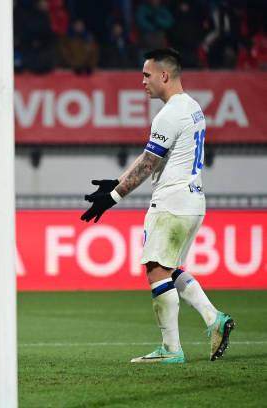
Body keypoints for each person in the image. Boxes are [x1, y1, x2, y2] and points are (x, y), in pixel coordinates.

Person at [80, 48, 235, 363]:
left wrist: (113, 197)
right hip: (192, 200)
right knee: (171, 268)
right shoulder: (192, 107)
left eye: (146, 75)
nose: (142, 81)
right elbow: (151, 156)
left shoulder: (169, 115)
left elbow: (149, 163)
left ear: (164, 75)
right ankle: (214, 319)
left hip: (172, 204)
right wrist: (116, 182)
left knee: (156, 271)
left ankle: (171, 349)